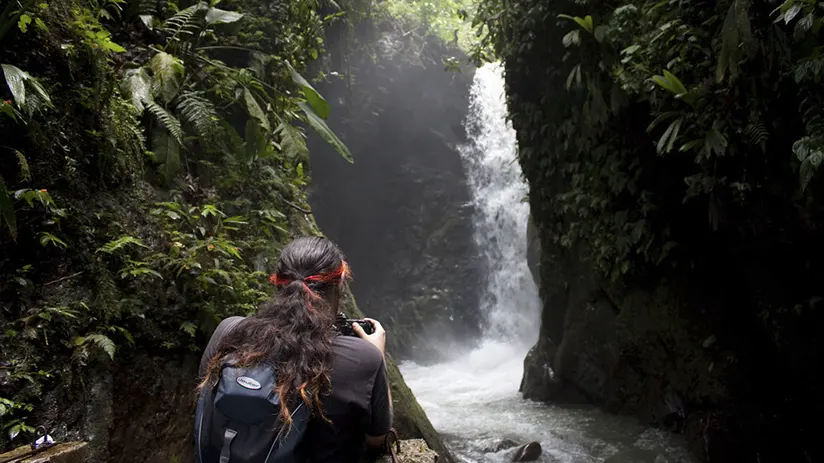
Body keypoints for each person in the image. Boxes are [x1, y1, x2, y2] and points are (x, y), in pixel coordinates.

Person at [197, 236, 393, 463]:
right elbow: (377, 438)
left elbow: (205, 403)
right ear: (340, 283)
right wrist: (377, 354)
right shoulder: (362, 359)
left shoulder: (228, 332)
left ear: (276, 282)